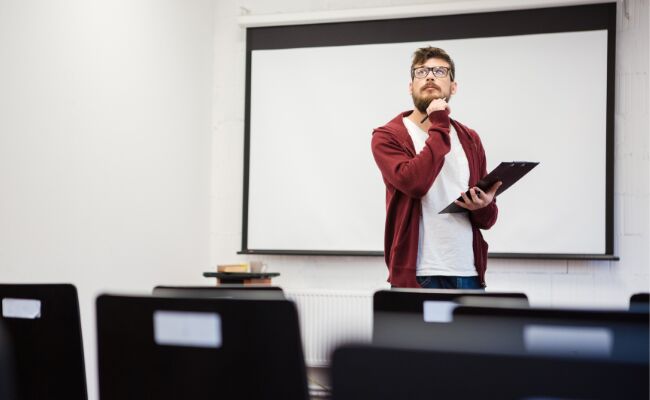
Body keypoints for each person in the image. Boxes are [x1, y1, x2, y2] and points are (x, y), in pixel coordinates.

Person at [371, 46, 501, 289]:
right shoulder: (388, 136)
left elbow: (488, 219)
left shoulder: (470, 138)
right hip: (419, 274)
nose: (430, 76)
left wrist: (483, 206)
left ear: (454, 87)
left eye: (440, 71)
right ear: (410, 86)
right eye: (421, 72)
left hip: (468, 272)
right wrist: (440, 123)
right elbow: (415, 183)